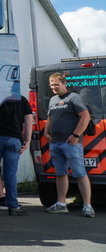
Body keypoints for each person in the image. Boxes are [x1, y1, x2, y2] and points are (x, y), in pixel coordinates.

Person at [44, 72, 95, 217]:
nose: (53, 87)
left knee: (79, 173)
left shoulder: (73, 97)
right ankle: (61, 204)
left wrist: (76, 135)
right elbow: (50, 118)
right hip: (56, 143)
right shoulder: (53, 100)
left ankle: (87, 206)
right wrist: (46, 133)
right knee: (60, 174)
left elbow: (85, 117)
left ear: (64, 84)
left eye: (56, 84)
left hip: (71, 143)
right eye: (51, 84)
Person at [0, 95, 32, 216]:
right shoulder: (22, 100)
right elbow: (29, 120)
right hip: (14, 139)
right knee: (10, 173)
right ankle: (13, 206)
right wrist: (28, 140)